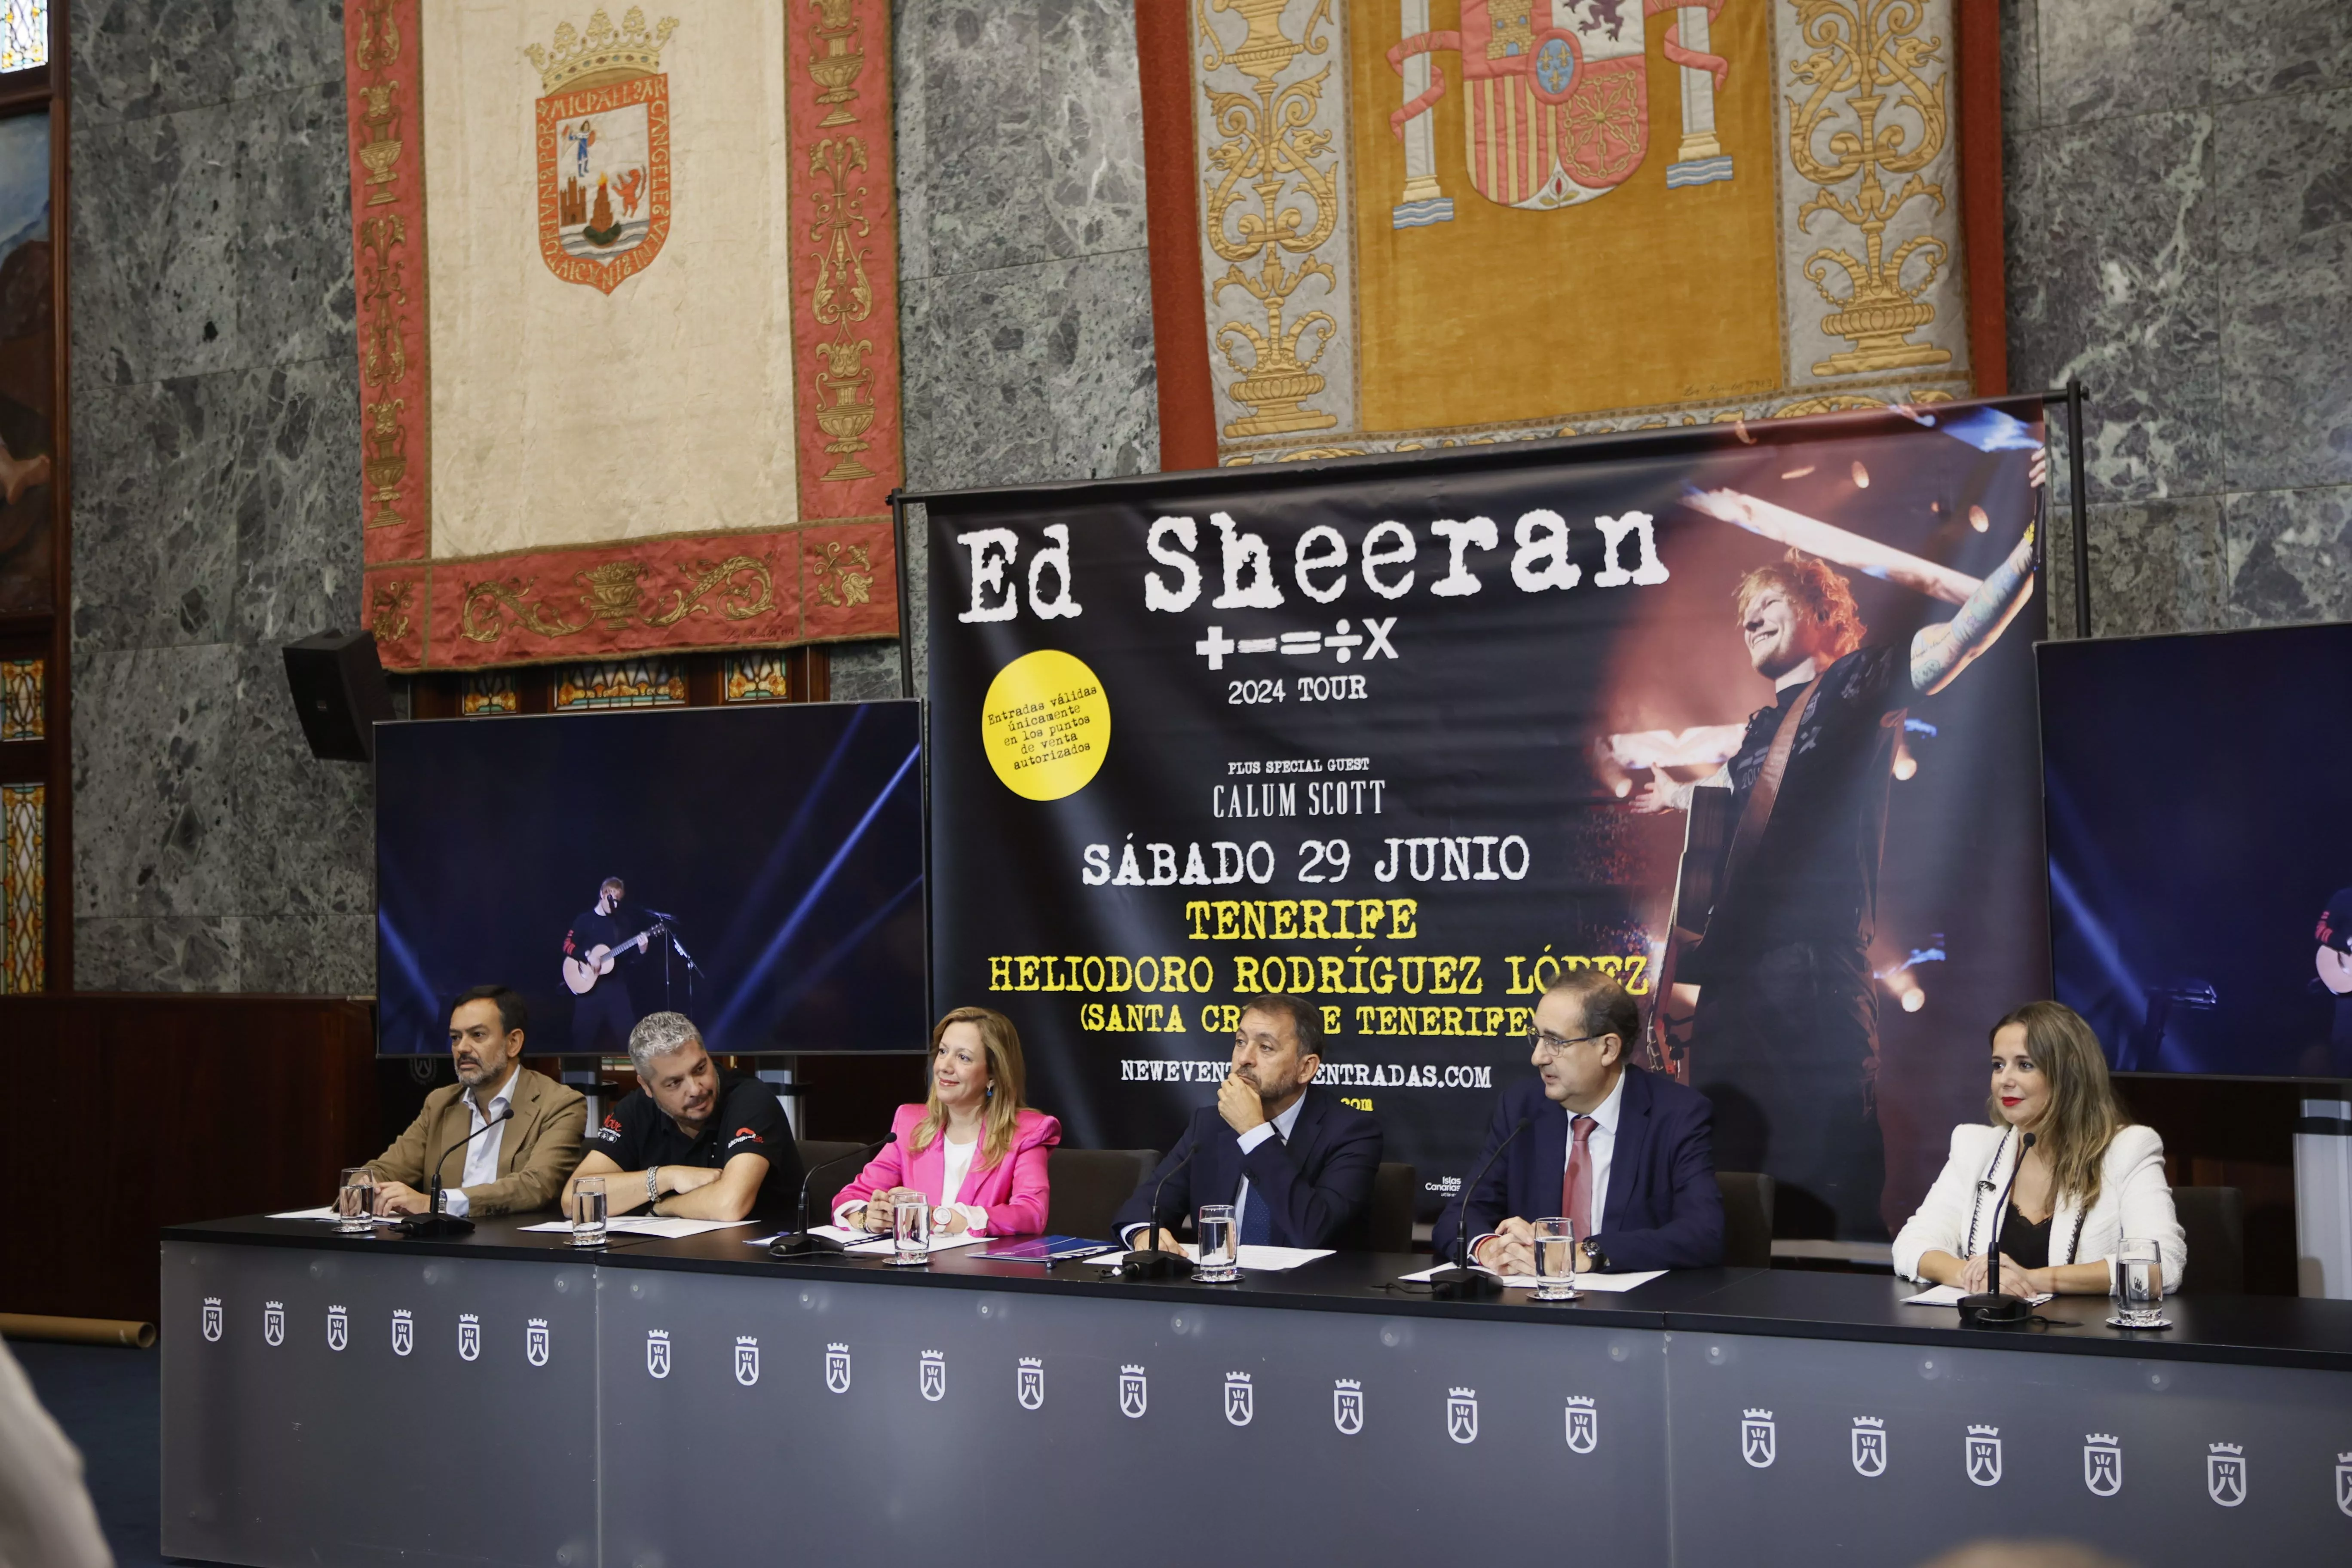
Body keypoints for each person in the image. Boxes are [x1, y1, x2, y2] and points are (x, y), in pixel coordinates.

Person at [1633, 490, 2040, 1239]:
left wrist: (2026, 555)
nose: (1748, 617)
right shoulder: (1759, 725)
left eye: (1768, 599)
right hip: (1736, 988)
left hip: (1813, 977)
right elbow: (1740, 790)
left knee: (1830, 1171)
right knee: (1729, 1172)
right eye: (1742, 610)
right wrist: (1674, 789)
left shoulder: (1856, 683)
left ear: (1823, 614)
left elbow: (1957, 644)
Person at [1435, 971, 1724, 1273]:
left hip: (1633, 1310)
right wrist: (1488, 1248)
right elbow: (1460, 1214)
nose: (1538, 1058)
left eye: (1555, 1042)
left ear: (1608, 1049)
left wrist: (1584, 1254)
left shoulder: (1677, 1114)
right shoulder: (1522, 1108)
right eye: (1537, 1038)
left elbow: (1704, 1234)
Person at [1894, 1001, 2185, 1297]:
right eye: (1998, 1065)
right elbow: (1912, 1244)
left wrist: (2030, 1280)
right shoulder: (1975, 1147)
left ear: (2069, 1076)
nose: (2005, 1080)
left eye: (2025, 1065)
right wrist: (1974, 1277)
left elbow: (2161, 1267)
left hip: (2083, 1337)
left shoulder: (2128, 1150)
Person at [1114, 994, 1382, 1251]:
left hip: (1308, 1292)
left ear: (1306, 1068)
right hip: (1216, 1290)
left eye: (1266, 1047)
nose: (1244, 1059)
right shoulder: (1210, 1124)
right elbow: (1145, 1206)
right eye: (1241, 1042)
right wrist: (1143, 1233)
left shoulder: (1352, 1133)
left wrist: (1255, 1132)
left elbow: (1314, 1230)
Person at [830, 1007, 1061, 1237]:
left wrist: (938, 1218)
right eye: (943, 1052)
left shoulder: (1027, 1131)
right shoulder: (911, 1124)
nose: (944, 1067)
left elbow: (1031, 1214)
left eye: (963, 1057)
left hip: (982, 1270)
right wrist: (868, 1217)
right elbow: (851, 1196)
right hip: (917, 1267)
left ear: (993, 1075)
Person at [366, 986, 585, 1218]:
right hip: (445, 1246)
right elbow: (385, 1169)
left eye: (478, 1035)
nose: (462, 1048)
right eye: (455, 1038)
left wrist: (436, 1204)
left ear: (513, 1043)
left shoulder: (560, 1104)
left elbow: (535, 1186)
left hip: (519, 1246)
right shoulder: (441, 1103)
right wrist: (361, 1190)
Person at [564, 1011, 804, 1222]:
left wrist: (661, 1207)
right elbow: (574, 1201)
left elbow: (730, 1204)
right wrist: (666, 1177)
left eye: (700, 1069)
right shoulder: (635, 1109)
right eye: (675, 1083)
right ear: (647, 1086)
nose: (696, 1089)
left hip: (763, 1264)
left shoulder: (751, 1099)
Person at [564, 876, 650, 1054]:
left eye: (618, 901)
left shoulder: (622, 924)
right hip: (588, 989)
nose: (614, 905)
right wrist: (588, 956)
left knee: (629, 1039)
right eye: (611, 899)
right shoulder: (585, 920)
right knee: (581, 1040)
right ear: (602, 895)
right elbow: (567, 945)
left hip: (616, 988)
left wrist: (641, 950)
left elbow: (629, 960)